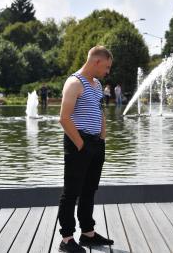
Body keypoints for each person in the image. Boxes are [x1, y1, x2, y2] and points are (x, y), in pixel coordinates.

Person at [58, 45, 114, 252]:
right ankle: (66, 239)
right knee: (71, 191)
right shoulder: (74, 83)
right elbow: (64, 118)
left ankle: (88, 234)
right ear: (96, 62)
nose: (107, 71)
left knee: (89, 190)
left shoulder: (98, 84)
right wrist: (81, 145)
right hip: (78, 143)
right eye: (106, 67)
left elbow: (100, 112)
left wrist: (102, 137)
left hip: (96, 143)